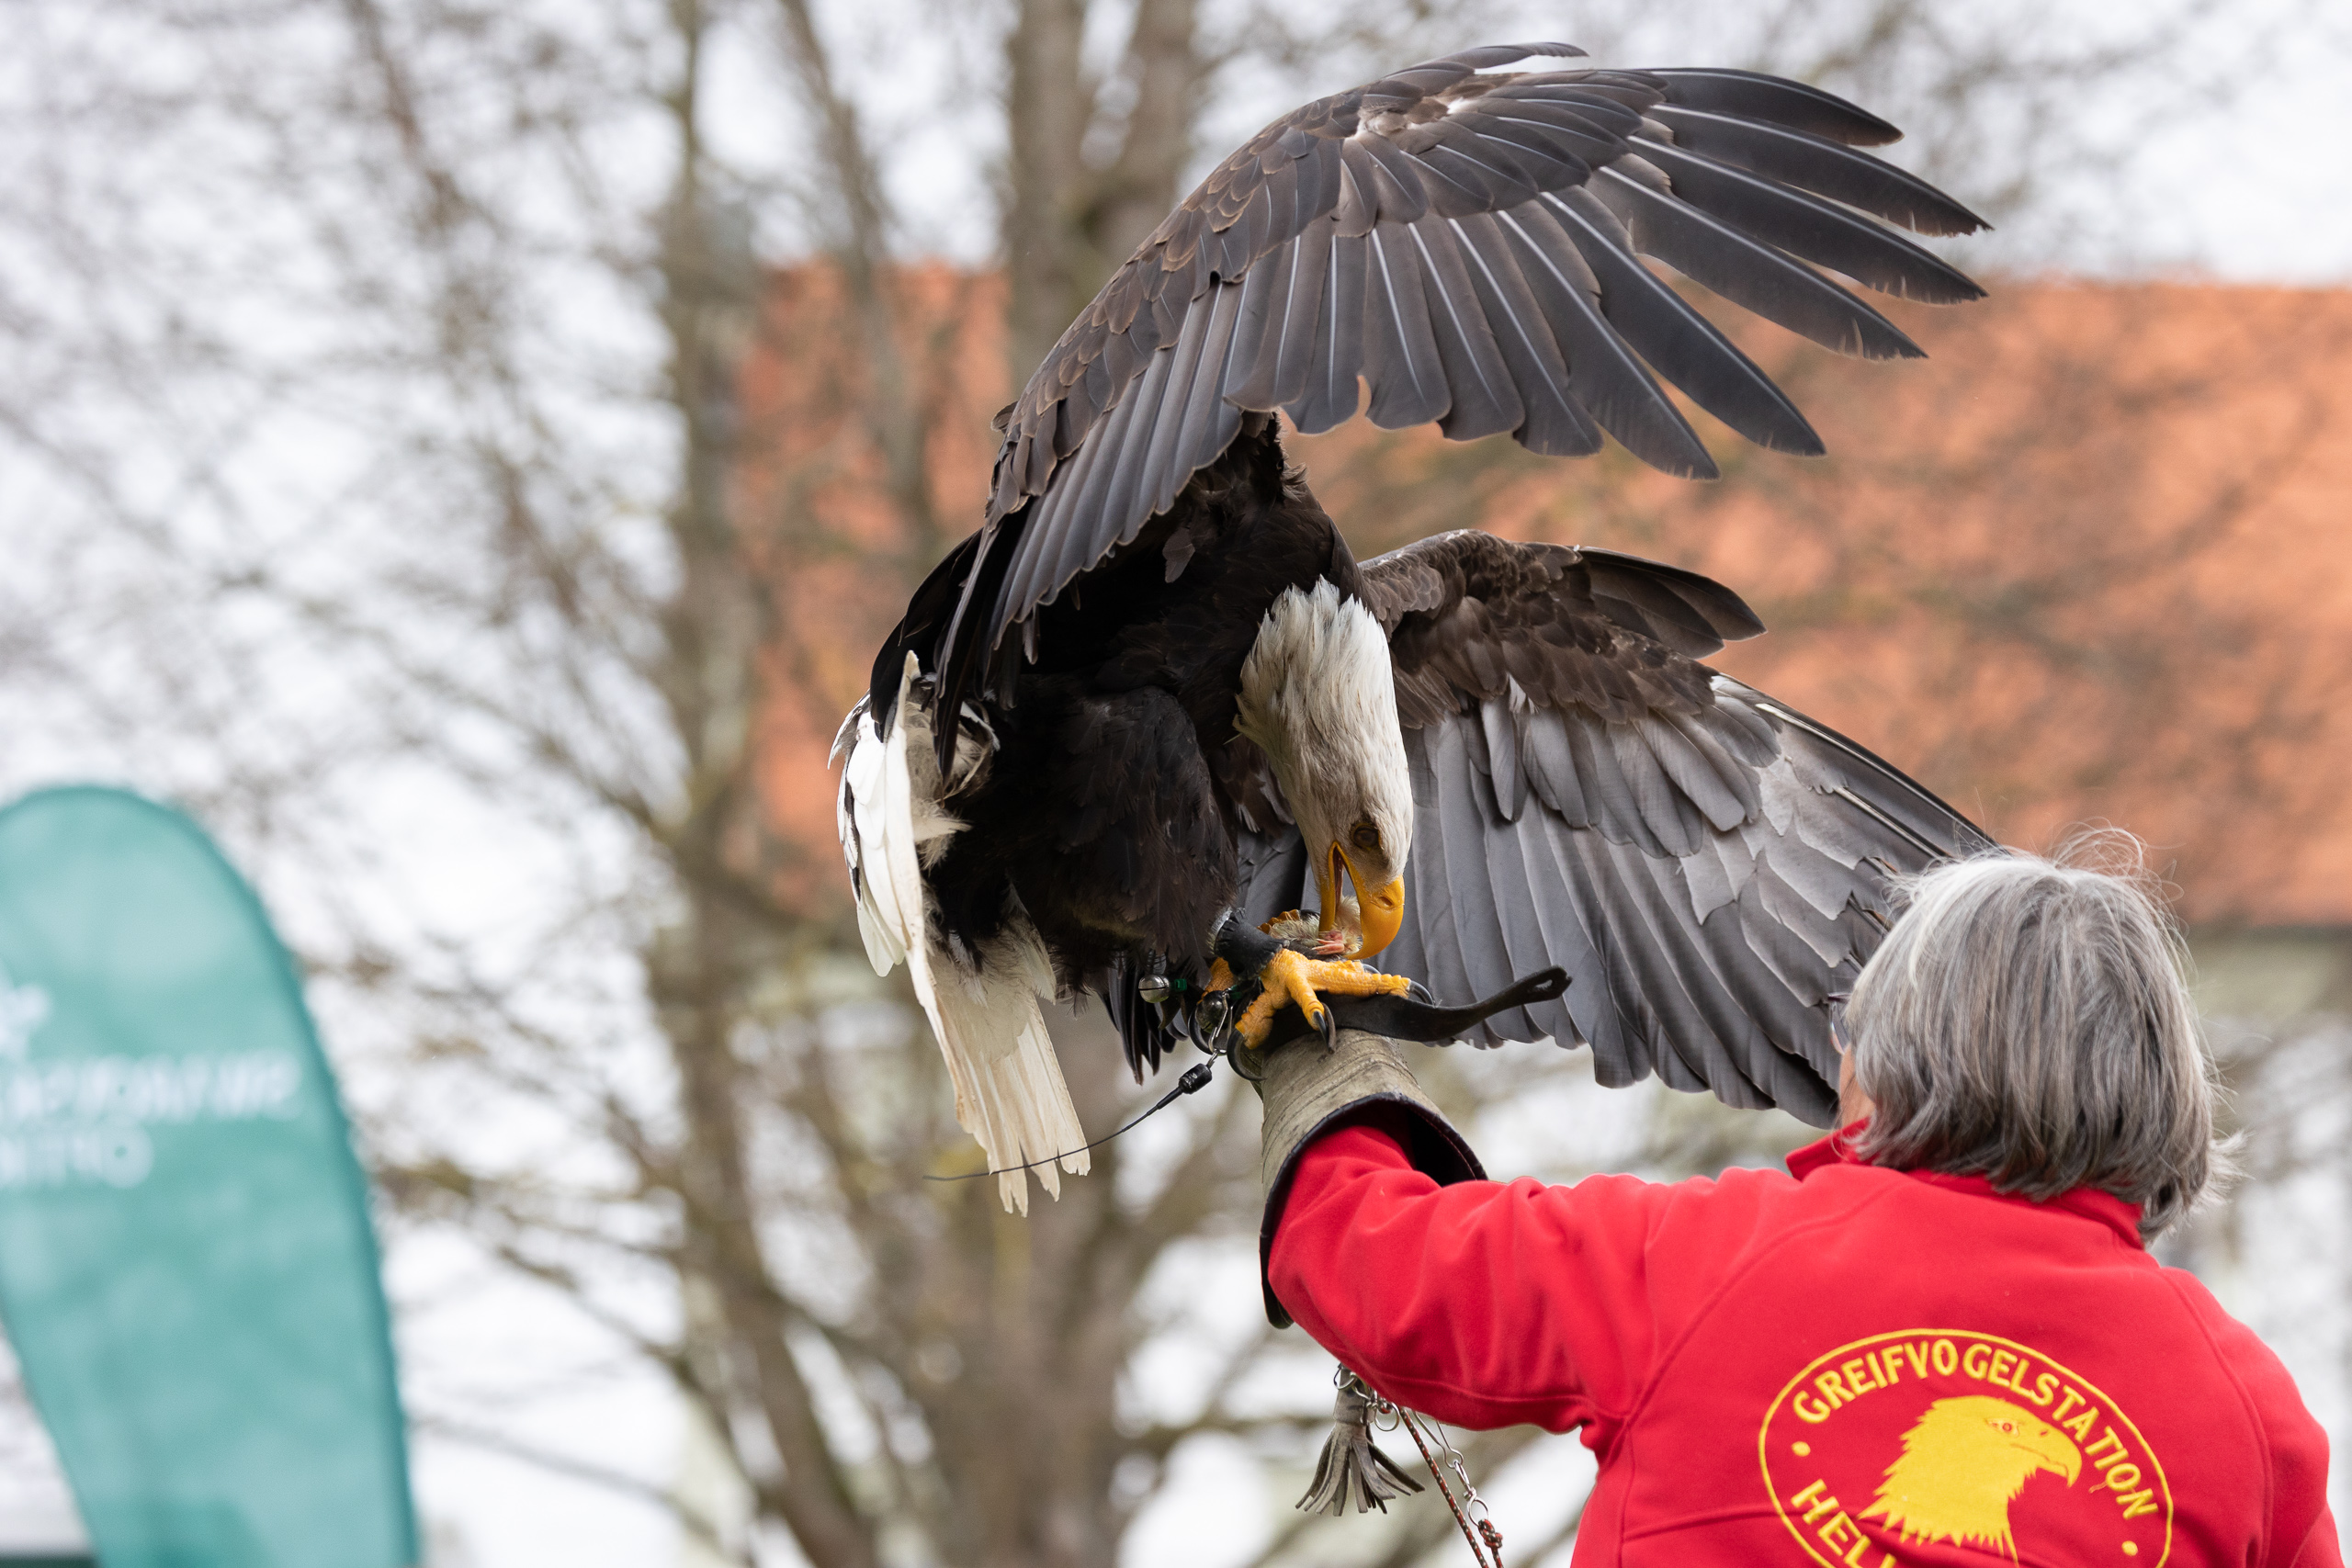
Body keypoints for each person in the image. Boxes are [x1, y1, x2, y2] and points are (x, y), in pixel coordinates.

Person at [1256, 845, 2341, 1567]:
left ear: (1898, 1059)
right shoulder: (2250, 1416)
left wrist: (1312, 1048)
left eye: (1852, 1025)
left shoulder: (1698, 1262)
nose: (1839, 1051)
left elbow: (1366, 1257)